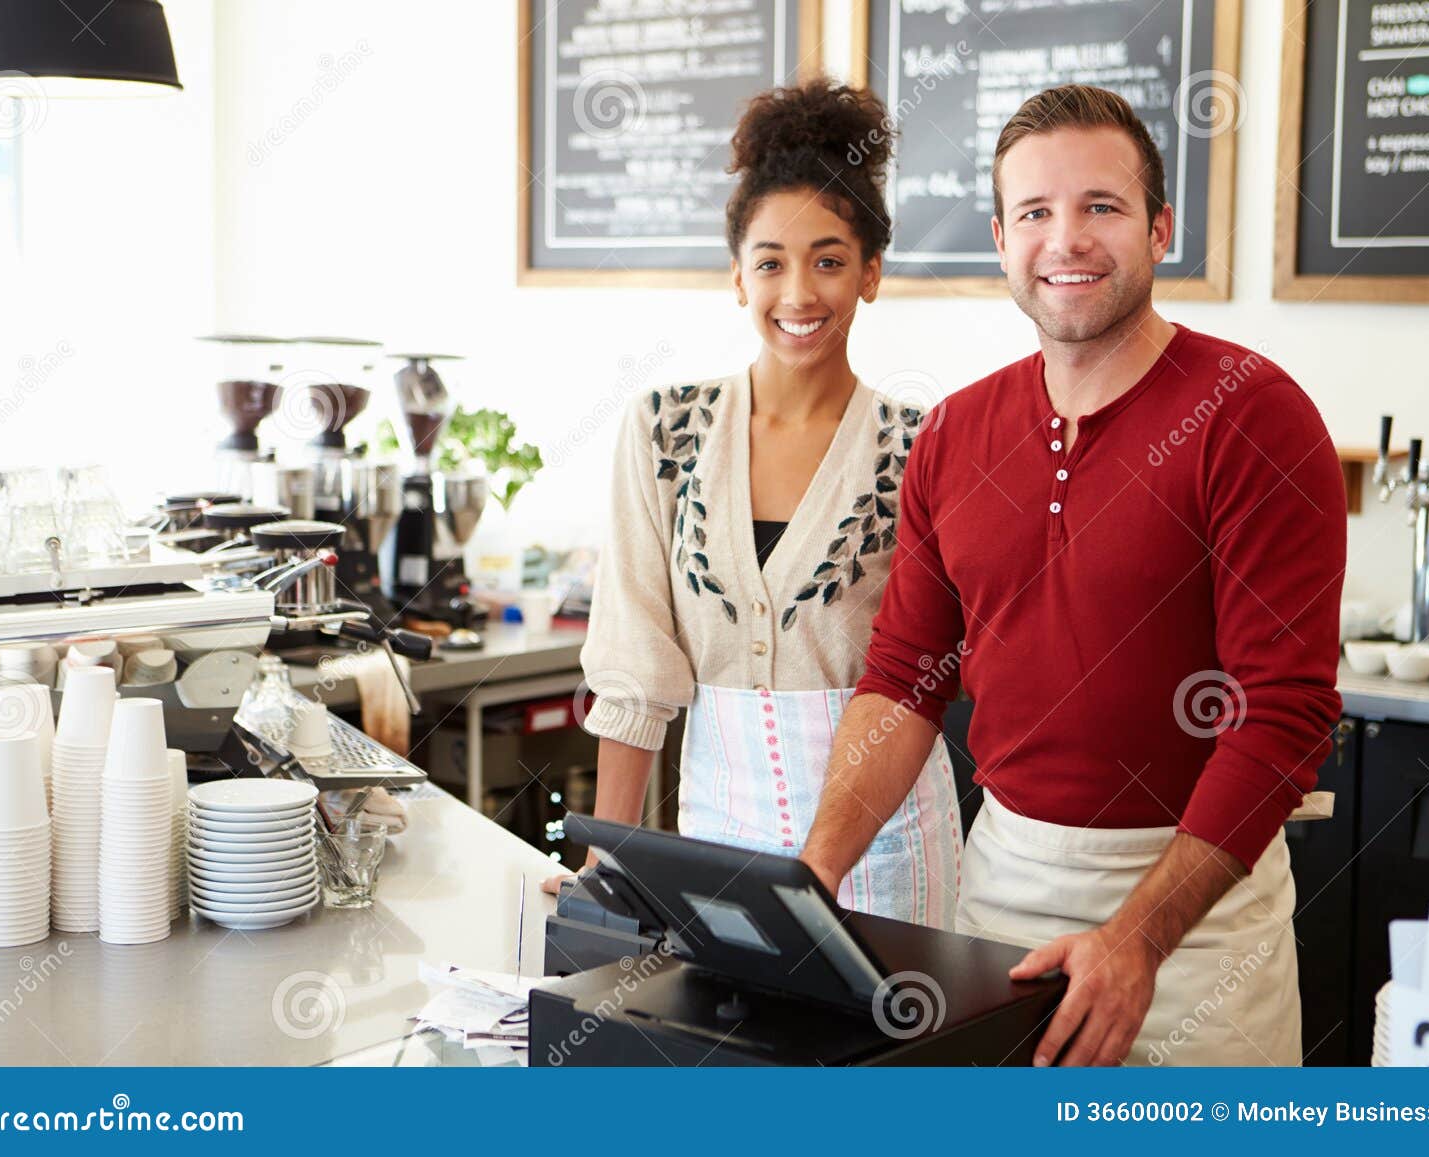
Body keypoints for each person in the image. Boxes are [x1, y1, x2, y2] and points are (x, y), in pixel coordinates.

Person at [799, 84, 1346, 1063]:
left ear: (1159, 229)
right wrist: (813, 871)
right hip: (1003, 894)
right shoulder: (954, 434)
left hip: (1198, 927)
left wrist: (1136, 938)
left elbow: (1284, 713)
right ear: (1002, 240)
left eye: (1101, 206)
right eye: (1036, 213)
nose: (1068, 239)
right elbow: (903, 676)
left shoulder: (1252, 416)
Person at [560, 79, 962, 928]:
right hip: (717, 838)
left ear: (872, 274)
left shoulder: (924, 445)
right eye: (771, 262)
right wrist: (605, 861)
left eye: (829, 259)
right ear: (737, 276)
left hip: (886, 851)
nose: (799, 294)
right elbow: (636, 668)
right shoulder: (664, 431)